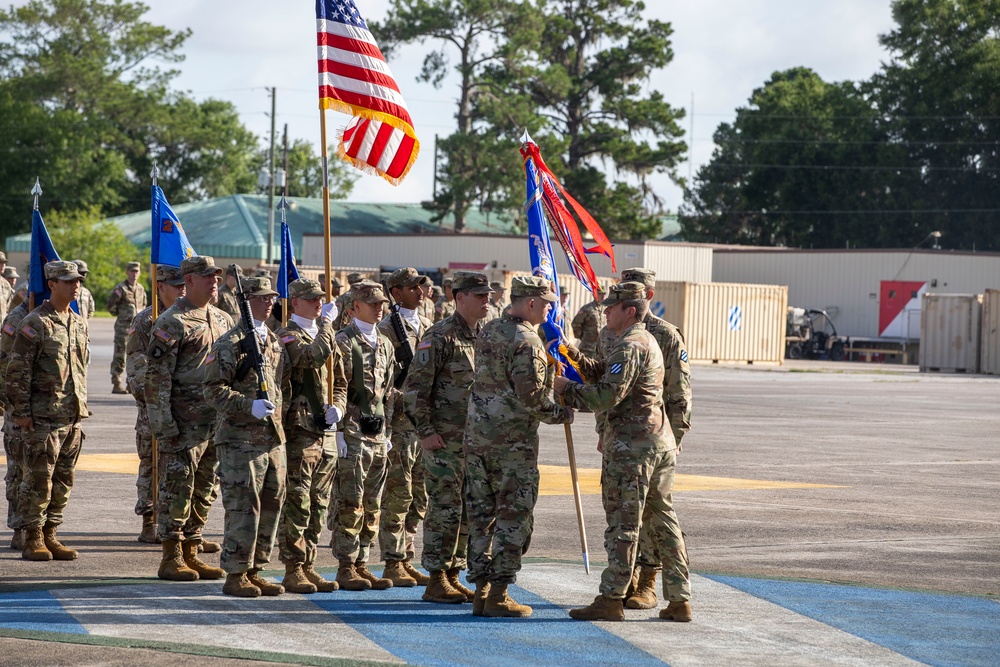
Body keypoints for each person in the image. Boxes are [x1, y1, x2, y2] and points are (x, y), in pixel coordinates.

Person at [555, 281, 692, 623]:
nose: (605, 312)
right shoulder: (643, 340)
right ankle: (679, 599)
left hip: (633, 448)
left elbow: (606, 396)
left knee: (623, 523)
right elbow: (608, 376)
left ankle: (611, 597)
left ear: (629, 311)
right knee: (664, 523)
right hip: (656, 442)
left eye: (611, 308)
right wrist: (573, 357)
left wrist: (566, 390)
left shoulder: (630, 345)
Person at [464, 276, 574, 618]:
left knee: (481, 515)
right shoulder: (528, 340)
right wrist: (563, 411)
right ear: (529, 303)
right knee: (513, 515)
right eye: (546, 303)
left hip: (478, 438)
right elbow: (532, 399)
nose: (550, 308)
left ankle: (481, 588)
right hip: (512, 444)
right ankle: (499, 593)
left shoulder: (489, 330)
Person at [601, 267, 692, 610]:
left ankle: (647, 581)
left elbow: (678, 391)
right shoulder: (611, 332)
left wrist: (677, 435)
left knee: (644, 517)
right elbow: (604, 374)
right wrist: (602, 432)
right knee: (629, 511)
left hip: (648, 439)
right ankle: (642, 584)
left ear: (644, 297)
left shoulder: (663, 334)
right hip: (623, 437)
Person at [145, 256, 233, 581]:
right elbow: (155, 380)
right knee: (176, 489)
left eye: (215, 276)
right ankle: (171, 556)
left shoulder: (223, 319)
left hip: (215, 422)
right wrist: (164, 426)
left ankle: (192, 550)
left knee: (205, 487)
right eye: (206, 276)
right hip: (182, 424)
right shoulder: (171, 322)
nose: (214, 281)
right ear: (190, 281)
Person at [204, 276, 292, 597]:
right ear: (246, 301)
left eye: (271, 297)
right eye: (261, 297)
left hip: (271, 438)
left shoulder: (273, 341)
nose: (269, 302)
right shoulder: (230, 343)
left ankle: (255, 567)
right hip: (239, 440)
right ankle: (236, 573)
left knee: (271, 503)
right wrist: (246, 405)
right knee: (244, 506)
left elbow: (282, 387)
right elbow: (212, 391)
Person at [407, 271, 492, 604]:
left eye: (488, 295)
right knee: (444, 509)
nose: (487, 301)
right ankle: (436, 577)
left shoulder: (487, 336)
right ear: (460, 297)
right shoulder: (440, 336)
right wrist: (425, 432)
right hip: (444, 441)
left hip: (476, 442)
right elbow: (414, 390)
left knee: (468, 510)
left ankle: (453, 574)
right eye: (480, 295)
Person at [6, 261, 89, 561]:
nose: (76, 285)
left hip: (71, 415)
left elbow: (81, 369)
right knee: (39, 480)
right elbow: (17, 373)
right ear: (52, 284)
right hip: (42, 417)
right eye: (69, 281)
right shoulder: (35, 323)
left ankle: (51, 532)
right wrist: (21, 412)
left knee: (64, 480)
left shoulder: (78, 323)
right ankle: (32, 537)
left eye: (78, 280)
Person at [276, 278, 345, 594]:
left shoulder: (325, 336)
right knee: (298, 502)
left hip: (325, 431)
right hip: (300, 431)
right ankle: (292, 567)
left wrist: (340, 409)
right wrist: (328, 326)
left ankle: (309, 565)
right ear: (295, 303)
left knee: (319, 503)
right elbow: (309, 358)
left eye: (320, 298)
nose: (319, 302)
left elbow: (341, 381)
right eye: (311, 298)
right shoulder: (289, 335)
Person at [331, 280, 395, 591]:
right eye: (373, 303)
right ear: (356, 307)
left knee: (373, 503)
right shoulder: (343, 341)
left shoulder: (384, 343)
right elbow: (335, 388)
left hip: (378, 433)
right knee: (350, 501)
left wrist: (389, 430)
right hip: (353, 432)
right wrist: (339, 431)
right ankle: (345, 565)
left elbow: (388, 392)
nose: (380, 308)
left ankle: (362, 562)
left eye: (382, 303)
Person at [376, 267, 433, 588]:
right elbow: (379, 383)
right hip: (398, 423)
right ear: (396, 292)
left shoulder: (428, 327)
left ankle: (407, 554)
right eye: (412, 288)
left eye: (420, 287)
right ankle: (393, 560)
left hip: (423, 424)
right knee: (398, 493)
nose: (420, 292)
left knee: (420, 496)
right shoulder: (385, 331)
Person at [125, 265, 186, 543]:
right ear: (160, 286)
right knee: (152, 465)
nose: (182, 289)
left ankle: (183, 525)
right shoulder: (146, 320)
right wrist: (155, 399)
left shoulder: (192, 317)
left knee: (182, 469)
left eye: (184, 284)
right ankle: (149, 522)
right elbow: (137, 368)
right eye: (176, 285)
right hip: (154, 409)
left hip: (187, 410)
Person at [0, 286, 30, 549]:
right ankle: (19, 528)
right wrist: (10, 403)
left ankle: (39, 529)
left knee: (43, 474)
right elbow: (3, 364)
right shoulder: (16, 319)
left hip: (47, 410)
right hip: (17, 409)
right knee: (18, 472)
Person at [107, 261, 147, 393]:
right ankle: (116, 382)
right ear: (127, 272)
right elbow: (110, 306)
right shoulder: (121, 289)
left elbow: (145, 307)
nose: (134, 274)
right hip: (123, 328)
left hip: (137, 329)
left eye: (137, 271)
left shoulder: (141, 289)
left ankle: (131, 382)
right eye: (132, 271)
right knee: (120, 355)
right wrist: (121, 316)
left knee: (136, 356)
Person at [571, 285, 606, 357]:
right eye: (600, 294)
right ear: (594, 295)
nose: (602, 297)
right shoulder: (587, 308)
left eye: (604, 294)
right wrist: (582, 337)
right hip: (587, 348)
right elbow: (576, 324)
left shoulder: (606, 310)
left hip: (600, 349)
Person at [0, 252, 13, 324]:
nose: (2, 265)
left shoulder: (6, 285)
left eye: (4, 263)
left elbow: (8, 308)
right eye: (0, 263)